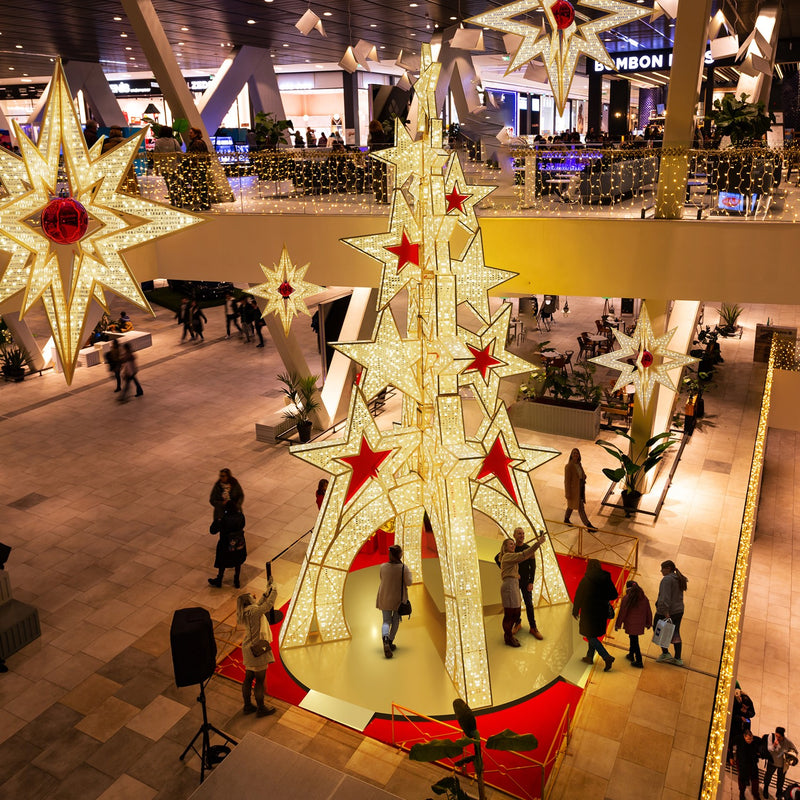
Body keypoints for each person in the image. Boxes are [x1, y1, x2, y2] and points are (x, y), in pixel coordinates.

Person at [494, 527, 544, 640]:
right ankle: (516, 626)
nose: (521, 535)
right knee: (514, 609)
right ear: (514, 535)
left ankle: (533, 627)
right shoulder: (510, 551)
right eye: (519, 534)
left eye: (523, 534)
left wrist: (531, 581)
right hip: (513, 584)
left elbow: (533, 566)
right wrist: (506, 571)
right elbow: (498, 558)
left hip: (524, 582)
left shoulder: (527, 549)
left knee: (528, 605)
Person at [237, 579, 278, 716]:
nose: (253, 597)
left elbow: (260, 604)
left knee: (248, 677)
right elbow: (268, 605)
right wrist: (275, 589)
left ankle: (247, 706)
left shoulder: (246, 611)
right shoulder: (254, 611)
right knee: (260, 680)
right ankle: (261, 708)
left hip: (247, 648)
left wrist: (267, 592)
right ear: (249, 601)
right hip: (257, 650)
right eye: (251, 597)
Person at [572, 558, 618, 671]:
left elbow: (579, 596)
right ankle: (589, 657)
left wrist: (575, 610)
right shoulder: (606, 578)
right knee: (593, 634)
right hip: (601, 611)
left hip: (588, 612)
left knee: (589, 635)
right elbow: (614, 595)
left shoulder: (586, 580)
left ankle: (606, 656)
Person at [375, 544, 413, 658]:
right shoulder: (403, 568)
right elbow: (409, 582)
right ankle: (390, 642)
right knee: (396, 621)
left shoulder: (383, 566)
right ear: (400, 555)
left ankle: (385, 639)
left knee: (386, 621)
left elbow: (381, 578)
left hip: (384, 596)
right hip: (398, 599)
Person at [654, 559, 688, 665]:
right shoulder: (679, 578)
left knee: (657, 628)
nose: (661, 571)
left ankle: (665, 653)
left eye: (662, 569)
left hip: (667, 611)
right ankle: (678, 658)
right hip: (679, 610)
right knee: (675, 632)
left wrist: (665, 612)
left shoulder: (667, 580)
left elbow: (665, 597)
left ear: (668, 568)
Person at [614, 579, 652, 668]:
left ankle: (639, 660)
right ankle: (631, 654)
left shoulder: (627, 598)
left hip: (630, 623)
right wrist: (648, 622)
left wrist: (618, 624)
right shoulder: (644, 597)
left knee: (634, 641)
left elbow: (622, 612)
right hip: (640, 623)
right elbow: (648, 611)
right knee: (633, 638)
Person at [208, 501, 247, 588]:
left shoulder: (223, 519)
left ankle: (219, 579)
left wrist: (217, 520)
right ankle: (236, 580)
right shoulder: (241, 516)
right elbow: (243, 524)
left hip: (225, 544)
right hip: (239, 543)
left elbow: (212, 530)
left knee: (222, 562)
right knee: (238, 561)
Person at [564, 449, 597, 532]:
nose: (575, 454)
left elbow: (581, 474)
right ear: (571, 455)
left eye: (577, 453)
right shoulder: (569, 466)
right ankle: (588, 526)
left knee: (571, 505)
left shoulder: (579, 464)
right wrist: (567, 493)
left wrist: (583, 476)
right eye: (574, 453)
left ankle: (566, 519)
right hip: (574, 490)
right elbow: (567, 481)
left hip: (581, 488)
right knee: (580, 508)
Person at [764, 727, 798, 799]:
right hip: (772, 762)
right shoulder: (771, 737)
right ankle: (765, 788)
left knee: (781, 780)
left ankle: (779, 793)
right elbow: (769, 749)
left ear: (783, 736)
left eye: (779, 737)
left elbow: (795, 751)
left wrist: (791, 759)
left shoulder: (787, 742)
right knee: (768, 776)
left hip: (782, 765)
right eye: (776, 735)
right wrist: (774, 745)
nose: (777, 738)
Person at [153, 125, 182, 205]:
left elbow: (156, 156)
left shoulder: (158, 142)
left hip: (164, 166)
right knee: (176, 183)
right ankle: (179, 200)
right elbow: (180, 153)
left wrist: (156, 168)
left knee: (169, 184)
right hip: (174, 166)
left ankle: (172, 200)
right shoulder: (174, 141)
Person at [729, 684, 757, 764]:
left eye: (746, 707)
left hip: (745, 723)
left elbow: (753, 713)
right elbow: (732, 715)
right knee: (733, 739)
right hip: (735, 724)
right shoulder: (736, 704)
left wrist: (746, 713)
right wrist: (740, 717)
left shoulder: (749, 704)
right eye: (744, 707)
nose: (745, 708)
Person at [185, 127, 211, 210]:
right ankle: (204, 202)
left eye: (191, 133)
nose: (189, 134)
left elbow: (196, 156)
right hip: (200, 167)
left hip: (197, 167)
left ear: (196, 134)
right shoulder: (198, 142)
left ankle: (205, 203)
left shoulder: (197, 143)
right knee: (201, 185)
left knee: (200, 186)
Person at [736, 728, 762, 800]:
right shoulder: (740, 743)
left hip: (753, 764)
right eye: (748, 739)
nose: (750, 741)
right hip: (743, 765)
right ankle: (742, 793)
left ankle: (756, 795)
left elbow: (762, 740)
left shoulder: (755, 740)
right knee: (742, 781)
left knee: (755, 780)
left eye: (751, 739)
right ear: (744, 737)